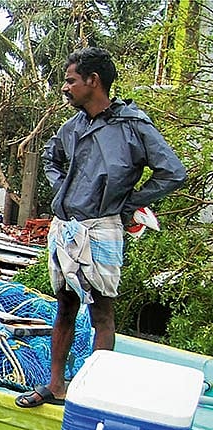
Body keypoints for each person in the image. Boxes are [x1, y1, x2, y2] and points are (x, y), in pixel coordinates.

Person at [15, 47, 185, 408]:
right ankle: (56, 385)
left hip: (102, 229)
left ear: (93, 81)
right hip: (66, 228)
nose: (65, 87)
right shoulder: (72, 127)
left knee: (101, 313)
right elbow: (51, 156)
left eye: (71, 80)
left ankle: (93, 396)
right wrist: (62, 187)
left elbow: (173, 171)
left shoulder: (132, 126)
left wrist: (131, 200)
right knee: (64, 306)